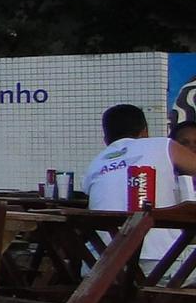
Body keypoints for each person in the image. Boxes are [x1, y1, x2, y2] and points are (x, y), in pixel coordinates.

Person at [84, 103, 196, 270]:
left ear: (106, 139)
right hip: (159, 263)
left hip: (98, 269)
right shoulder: (162, 145)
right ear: (145, 131)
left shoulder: (94, 165)